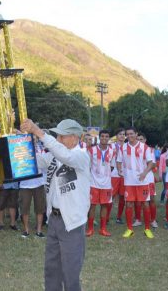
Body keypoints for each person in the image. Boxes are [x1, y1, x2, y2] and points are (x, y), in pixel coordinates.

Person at [20, 118, 90, 291]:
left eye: (62, 136)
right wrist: (21, 143)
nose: (58, 139)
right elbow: (32, 160)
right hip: (54, 220)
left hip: (72, 222)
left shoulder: (81, 156)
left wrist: (38, 131)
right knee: (51, 270)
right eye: (57, 136)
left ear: (74, 137)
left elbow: (65, 155)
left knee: (70, 273)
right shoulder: (54, 155)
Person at [116, 127, 155, 239]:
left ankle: (147, 229)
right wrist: (119, 170)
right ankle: (129, 229)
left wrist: (144, 173)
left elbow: (150, 163)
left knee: (145, 204)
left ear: (136, 134)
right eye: (127, 134)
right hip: (129, 181)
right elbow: (118, 161)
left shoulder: (144, 147)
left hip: (142, 181)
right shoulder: (123, 147)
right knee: (129, 204)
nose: (129, 136)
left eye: (131, 134)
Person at [86, 129, 114, 237]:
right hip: (93, 183)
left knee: (104, 206)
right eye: (102, 136)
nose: (104, 138)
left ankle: (103, 229)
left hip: (106, 184)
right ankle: (90, 229)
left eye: (106, 136)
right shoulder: (91, 150)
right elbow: (87, 166)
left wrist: (104, 175)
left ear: (109, 138)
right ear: (99, 137)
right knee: (92, 205)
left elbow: (111, 166)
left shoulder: (112, 151)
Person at [110, 128, 126, 224]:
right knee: (111, 196)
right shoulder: (111, 146)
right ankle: (106, 217)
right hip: (114, 174)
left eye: (123, 134)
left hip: (124, 175)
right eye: (120, 134)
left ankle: (119, 217)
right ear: (116, 136)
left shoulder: (127, 146)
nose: (122, 136)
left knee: (122, 196)